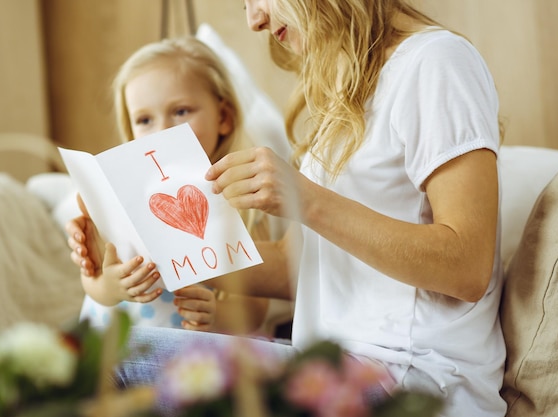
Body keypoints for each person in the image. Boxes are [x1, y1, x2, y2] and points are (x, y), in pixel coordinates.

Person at [75, 1, 508, 416]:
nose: (255, 20)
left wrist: (308, 200)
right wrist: (149, 254)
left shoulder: (436, 61)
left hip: (409, 382)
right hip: (330, 364)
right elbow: (292, 268)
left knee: (104, 362)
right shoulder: (352, 93)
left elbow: (467, 267)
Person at [67, 36, 279, 336]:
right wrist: (110, 287)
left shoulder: (245, 200)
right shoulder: (115, 198)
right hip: (113, 352)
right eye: (144, 120)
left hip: (196, 363)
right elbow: (92, 280)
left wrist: (216, 314)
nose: (162, 131)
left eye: (181, 112)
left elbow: (255, 311)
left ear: (224, 118)